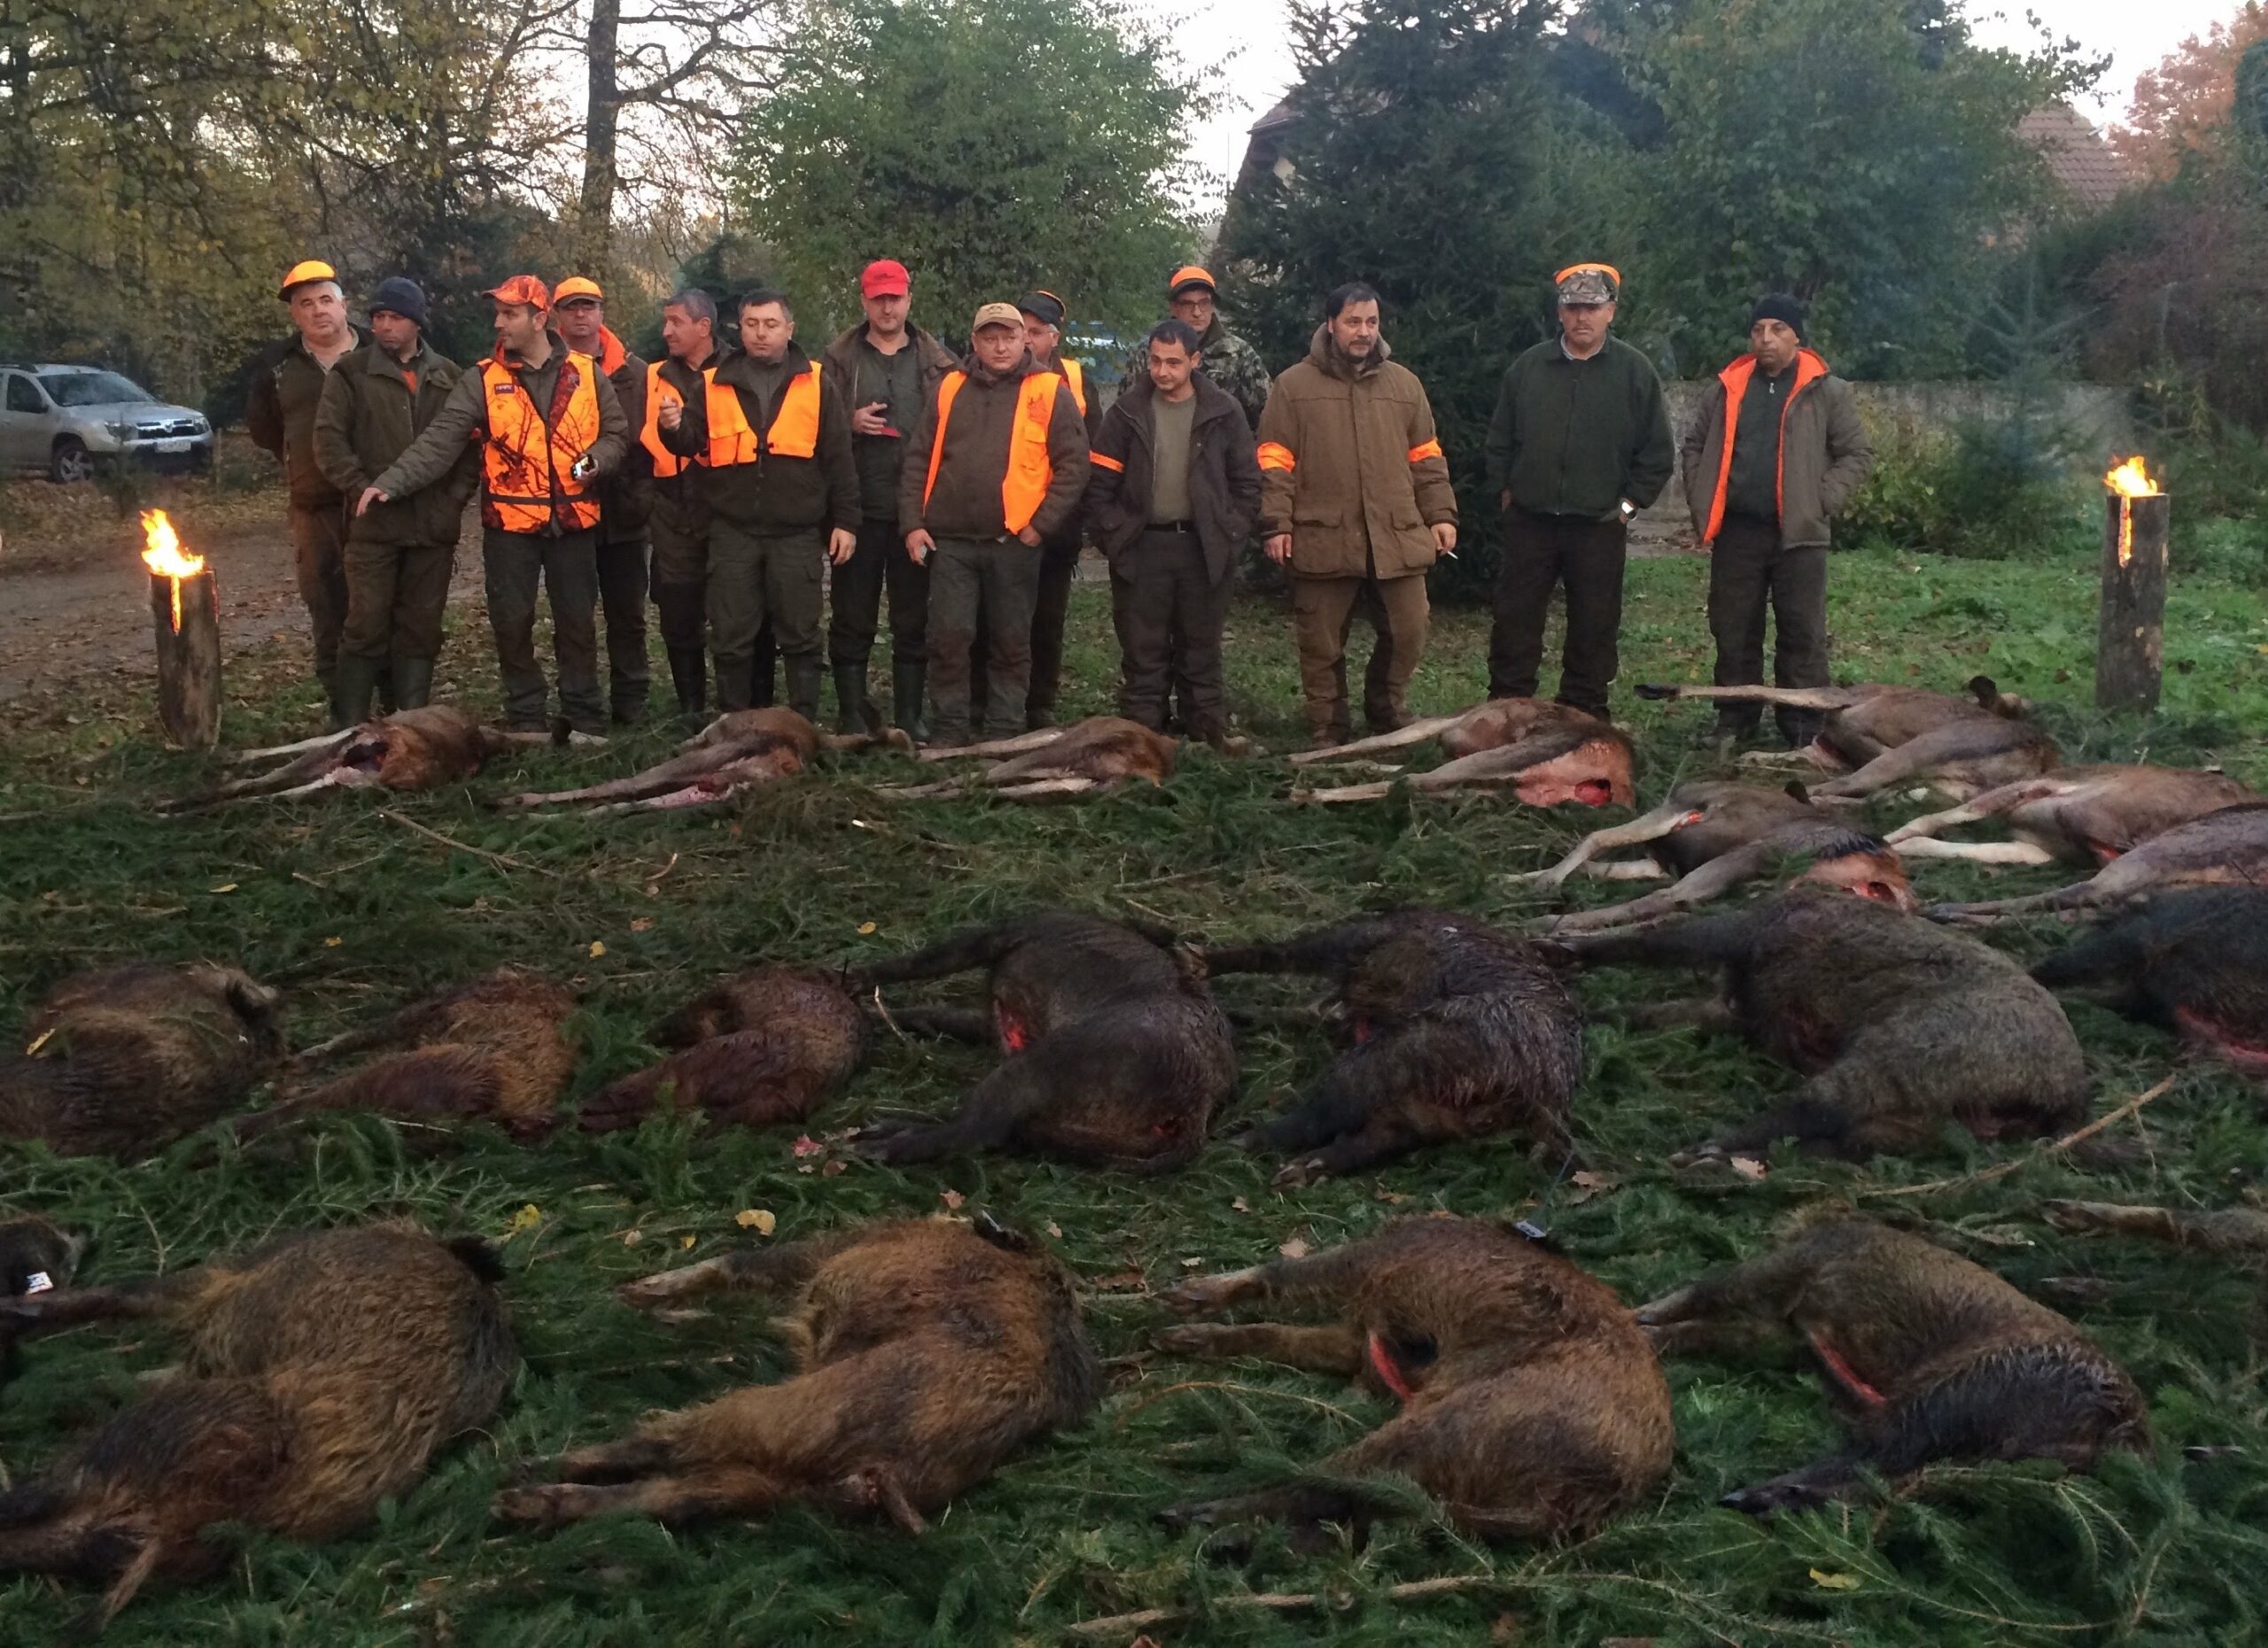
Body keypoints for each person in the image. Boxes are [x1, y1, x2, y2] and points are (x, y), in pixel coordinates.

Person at [359, 275, 629, 737]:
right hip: (509, 526)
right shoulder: (483, 378)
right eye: (498, 314)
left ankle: (583, 715)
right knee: (511, 623)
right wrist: (391, 483)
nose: (499, 323)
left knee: (577, 622)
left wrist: (598, 461)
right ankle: (526, 716)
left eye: (510, 314)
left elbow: (617, 433)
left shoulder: (586, 373)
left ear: (540, 319)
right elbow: (441, 440)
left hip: (574, 520)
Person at [1257, 282, 1456, 748]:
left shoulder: (1405, 386)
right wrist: (1276, 523)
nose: (1363, 332)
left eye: (1371, 322)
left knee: (1410, 627)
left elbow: (1426, 457)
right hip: (1323, 534)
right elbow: (1273, 459)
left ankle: (1386, 708)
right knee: (1321, 642)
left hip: (1397, 534)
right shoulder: (1293, 386)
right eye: (1352, 322)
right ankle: (1329, 725)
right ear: (1331, 325)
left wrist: (1441, 514)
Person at [1680, 293, 1875, 748]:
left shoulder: (1826, 391)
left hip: (1800, 536)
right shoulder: (1727, 389)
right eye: (1757, 330)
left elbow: (1857, 454)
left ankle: (1805, 729)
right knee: (1733, 630)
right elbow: (1693, 445)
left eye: (1777, 329)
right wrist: (1701, 495)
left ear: (1797, 336)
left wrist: (1819, 500)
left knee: (1802, 634)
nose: (1765, 339)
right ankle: (1734, 721)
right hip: (1738, 532)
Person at [1482, 261, 1674, 719]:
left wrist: (1628, 506)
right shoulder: (1529, 368)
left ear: (1612, 311)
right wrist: (1507, 492)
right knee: (1516, 618)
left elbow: (1657, 453)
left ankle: (1583, 710)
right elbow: (1500, 439)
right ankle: (1509, 706)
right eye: (1572, 307)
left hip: (1598, 525)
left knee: (1594, 622)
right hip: (1531, 522)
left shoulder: (1634, 372)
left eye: (1592, 306)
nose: (1581, 317)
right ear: (1559, 313)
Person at [659, 288, 858, 722]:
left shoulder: (818, 382)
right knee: (731, 636)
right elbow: (690, 442)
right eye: (752, 324)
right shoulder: (711, 384)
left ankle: (800, 724)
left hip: (797, 533)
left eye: (770, 325)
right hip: (734, 532)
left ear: (789, 329)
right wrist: (671, 427)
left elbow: (839, 459)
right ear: (739, 328)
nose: (760, 334)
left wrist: (845, 521)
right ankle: (736, 724)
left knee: (802, 636)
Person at [897, 300, 1090, 748]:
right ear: (975, 341)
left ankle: (1004, 730)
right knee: (949, 637)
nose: (1000, 346)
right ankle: (950, 728)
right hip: (951, 544)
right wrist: (912, 523)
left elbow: (1074, 466)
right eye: (990, 337)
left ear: (1025, 339)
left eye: (1009, 336)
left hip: (1015, 542)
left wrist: (1041, 526)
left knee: (1011, 640)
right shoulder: (948, 388)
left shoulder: (1049, 390)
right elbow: (918, 458)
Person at [1084, 318, 1260, 746]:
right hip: (1143, 547)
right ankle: (1143, 740)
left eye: (1173, 363)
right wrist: (1114, 534)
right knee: (1143, 651)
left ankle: (1206, 738)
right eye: (1156, 361)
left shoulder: (1223, 410)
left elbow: (1248, 482)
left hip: (1204, 548)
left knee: (1201, 648)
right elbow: (1100, 484)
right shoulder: (1126, 412)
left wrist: (1231, 529)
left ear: (1195, 360)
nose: (1162, 371)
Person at [311, 278, 477, 720]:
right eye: (379, 317)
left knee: (420, 630)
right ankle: (348, 727)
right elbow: (328, 444)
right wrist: (361, 488)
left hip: (432, 528)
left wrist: (452, 502)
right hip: (373, 529)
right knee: (364, 626)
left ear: (417, 322)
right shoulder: (351, 373)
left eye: (396, 317)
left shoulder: (449, 375)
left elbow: (468, 449)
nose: (385, 326)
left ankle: (410, 723)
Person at [822, 259, 955, 738]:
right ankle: (853, 714)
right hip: (856, 510)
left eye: (894, 297)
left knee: (913, 618)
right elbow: (814, 427)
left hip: (915, 514)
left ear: (908, 300)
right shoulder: (837, 360)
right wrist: (848, 423)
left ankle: (908, 716)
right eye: (878, 297)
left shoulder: (940, 363)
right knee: (851, 616)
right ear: (864, 301)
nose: (886, 306)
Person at [968, 289, 1103, 731]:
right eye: (1020, 330)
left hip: (1055, 529)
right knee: (994, 618)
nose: (1026, 341)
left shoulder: (1076, 382)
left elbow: (1090, 459)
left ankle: (1039, 702)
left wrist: (1071, 523)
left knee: (1046, 619)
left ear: (1054, 336)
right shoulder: (994, 377)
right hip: (1005, 525)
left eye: (1036, 332)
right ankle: (985, 699)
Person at [247, 258, 370, 725]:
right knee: (327, 608)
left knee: (378, 607)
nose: (318, 311)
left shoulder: (378, 352)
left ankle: (395, 710)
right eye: (306, 304)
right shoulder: (276, 368)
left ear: (344, 304)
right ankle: (344, 715)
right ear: (294, 314)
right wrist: (304, 462)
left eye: (325, 300)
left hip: (374, 504)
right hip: (312, 507)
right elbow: (265, 430)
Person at [552, 276, 655, 724]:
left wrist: (644, 495)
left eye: (588, 306)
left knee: (628, 615)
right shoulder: (544, 371)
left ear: (601, 313)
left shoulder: (638, 372)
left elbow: (653, 442)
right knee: (574, 618)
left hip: (627, 512)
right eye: (571, 307)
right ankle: (581, 706)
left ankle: (631, 703)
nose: (580, 315)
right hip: (570, 511)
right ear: (555, 316)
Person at [641, 290, 726, 723]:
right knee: (677, 616)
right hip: (672, 514)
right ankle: (691, 708)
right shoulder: (652, 376)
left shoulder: (738, 369)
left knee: (737, 616)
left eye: (675, 321)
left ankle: (741, 706)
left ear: (704, 327)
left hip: (728, 510)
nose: (666, 330)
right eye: (665, 321)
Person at [1125, 266, 1271, 431]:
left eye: (1204, 303)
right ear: (1174, 307)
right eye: (1188, 304)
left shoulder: (1238, 354)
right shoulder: (1147, 353)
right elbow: (1126, 412)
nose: (1197, 312)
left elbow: (1267, 415)